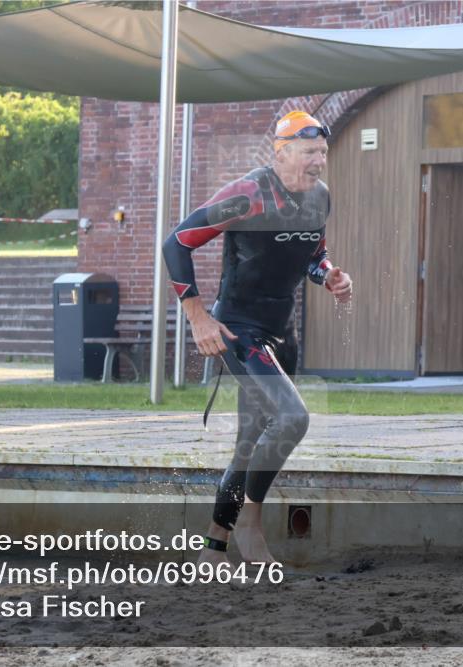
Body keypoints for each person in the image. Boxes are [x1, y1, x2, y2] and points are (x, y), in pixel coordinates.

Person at [162, 110, 353, 565]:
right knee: (291, 419)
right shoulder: (249, 195)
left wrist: (329, 276)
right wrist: (197, 317)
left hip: (278, 333)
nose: (319, 161)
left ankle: (213, 548)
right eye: (309, 152)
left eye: (322, 152)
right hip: (238, 331)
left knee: (250, 443)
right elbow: (178, 242)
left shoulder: (320, 199)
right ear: (281, 153)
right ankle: (249, 522)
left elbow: (313, 253)